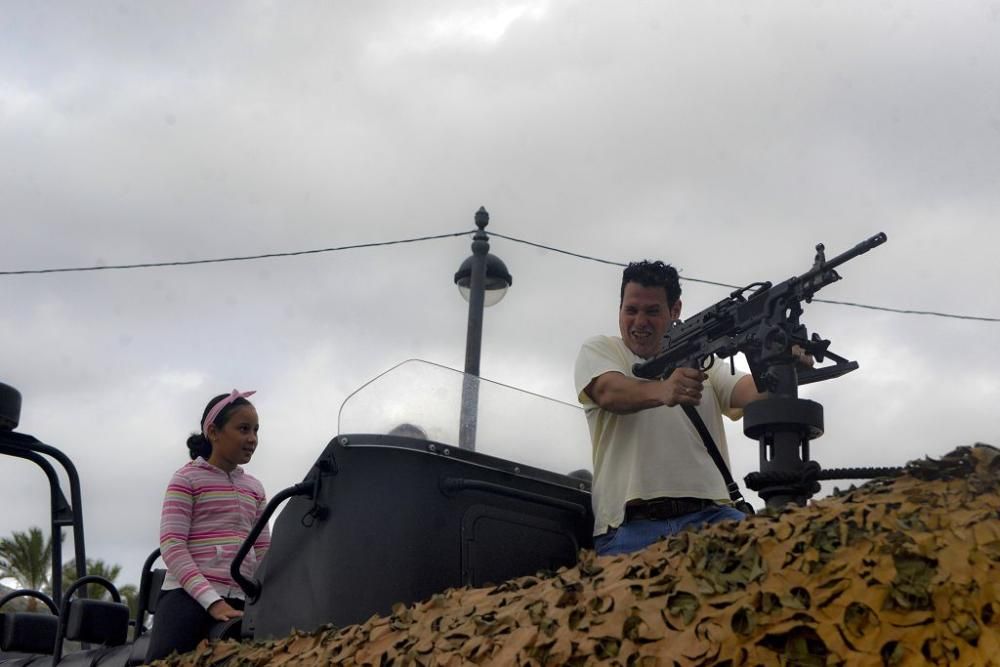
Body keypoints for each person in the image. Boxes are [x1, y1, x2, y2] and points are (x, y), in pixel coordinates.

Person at [575, 261, 778, 557]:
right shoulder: (602, 350)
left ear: (675, 310)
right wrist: (664, 389)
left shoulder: (705, 363)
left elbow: (752, 391)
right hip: (630, 529)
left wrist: (782, 361)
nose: (639, 321)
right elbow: (609, 391)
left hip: (713, 518)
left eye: (652, 311)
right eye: (631, 310)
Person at [146, 390, 271, 661]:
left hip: (242, 601)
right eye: (243, 429)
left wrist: (267, 599)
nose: (252, 439)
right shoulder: (186, 479)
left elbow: (264, 552)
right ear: (214, 432)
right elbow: (172, 545)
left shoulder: (255, 488)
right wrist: (211, 600)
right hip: (188, 598)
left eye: (256, 431)